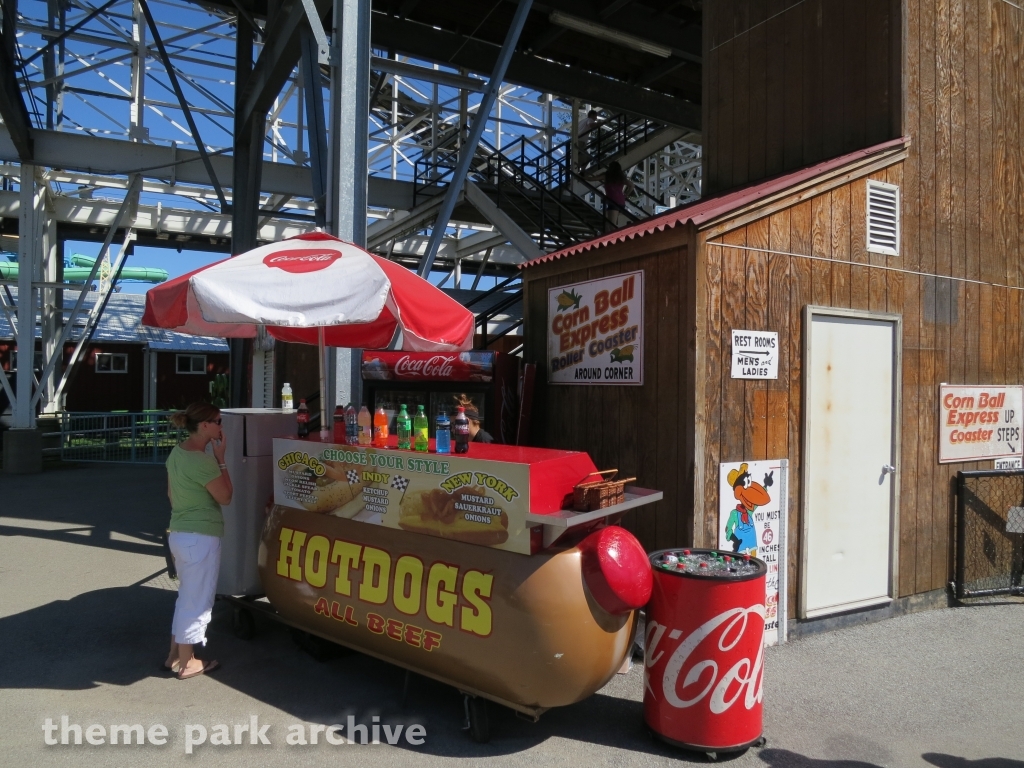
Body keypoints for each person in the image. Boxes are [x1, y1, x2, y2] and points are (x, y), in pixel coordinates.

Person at [162, 403, 232, 680]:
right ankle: (187, 662)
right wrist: (222, 459)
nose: (220, 426)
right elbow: (225, 497)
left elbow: (170, 495)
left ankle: (173, 656)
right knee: (197, 602)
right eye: (217, 421)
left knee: (186, 597)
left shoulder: (177, 454)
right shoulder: (203, 461)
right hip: (201, 537)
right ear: (204, 426)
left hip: (179, 533)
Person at [600, 161, 635, 229]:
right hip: (621, 201)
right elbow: (632, 185)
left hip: (613, 202)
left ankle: (615, 237)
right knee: (607, 223)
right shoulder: (620, 178)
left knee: (611, 225)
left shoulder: (607, 176)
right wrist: (625, 195)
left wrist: (583, 175)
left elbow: (592, 178)